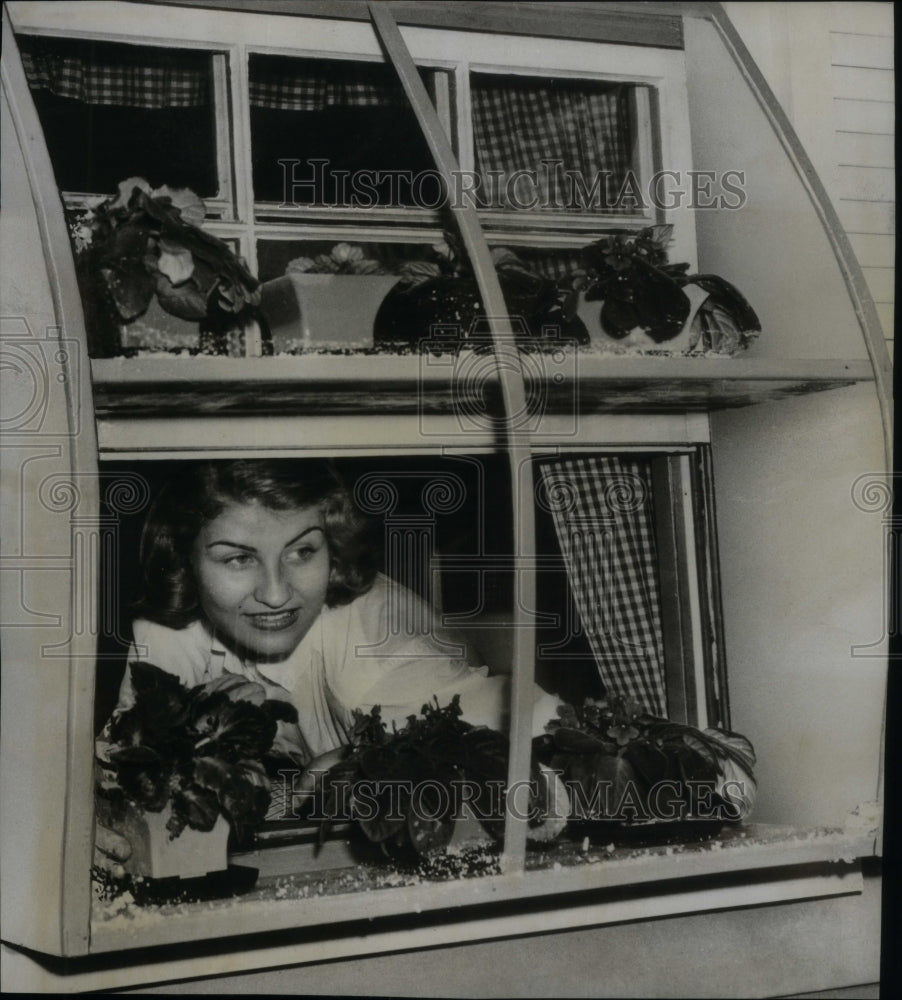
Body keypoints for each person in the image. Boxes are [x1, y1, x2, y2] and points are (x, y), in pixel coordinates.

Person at [97, 459, 563, 871]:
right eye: (239, 559)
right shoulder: (169, 626)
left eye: (302, 552)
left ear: (334, 549)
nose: (276, 593)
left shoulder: (374, 642)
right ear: (185, 562)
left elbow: (550, 763)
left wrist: (353, 764)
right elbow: (126, 767)